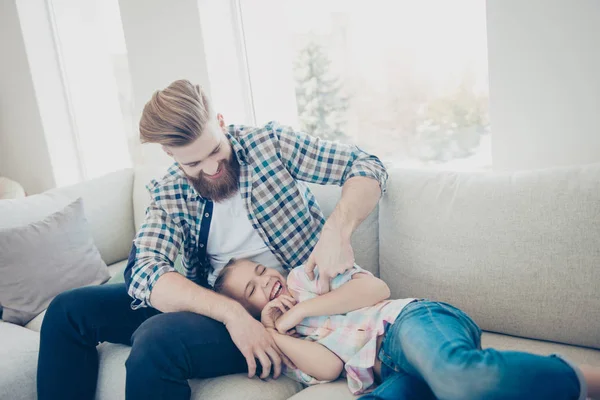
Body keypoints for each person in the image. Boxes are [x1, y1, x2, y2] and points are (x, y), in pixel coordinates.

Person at [36, 79, 389, 400]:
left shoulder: (271, 146)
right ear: (170, 155)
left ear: (219, 122)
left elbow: (366, 166)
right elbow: (144, 271)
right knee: (68, 311)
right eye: (193, 163)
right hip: (217, 303)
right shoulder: (170, 192)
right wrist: (233, 314)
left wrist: (336, 231)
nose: (210, 170)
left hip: (285, 306)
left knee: (157, 340)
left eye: (215, 152)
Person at [214, 258, 600, 400]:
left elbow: (375, 289)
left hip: (410, 323)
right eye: (253, 289)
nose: (265, 282)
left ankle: (588, 380)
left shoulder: (306, 276)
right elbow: (329, 368)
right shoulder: (284, 345)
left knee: (458, 377)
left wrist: (301, 311)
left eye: (262, 271)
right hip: (393, 372)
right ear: (249, 310)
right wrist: (279, 332)